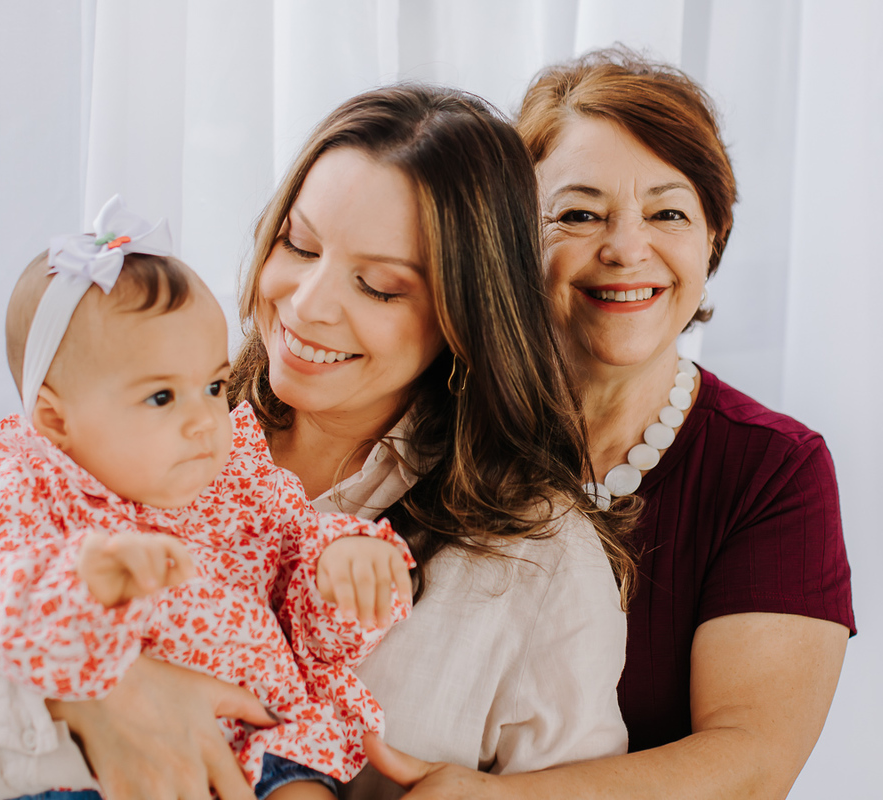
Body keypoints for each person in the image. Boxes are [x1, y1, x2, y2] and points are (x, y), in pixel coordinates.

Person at [0, 85, 633, 800]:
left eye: (379, 285)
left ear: (467, 316)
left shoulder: (539, 558)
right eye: (299, 245)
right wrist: (91, 700)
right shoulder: (104, 432)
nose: (308, 304)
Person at [362, 48, 856, 799]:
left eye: (667, 213)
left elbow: (753, 763)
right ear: (513, 237)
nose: (627, 248)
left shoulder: (772, 470)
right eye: (579, 214)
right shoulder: (417, 408)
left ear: (714, 235)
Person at [0, 195, 419, 799]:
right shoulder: (24, 488)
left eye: (213, 386)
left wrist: (340, 571)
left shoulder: (242, 479)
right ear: (57, 421)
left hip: (263, 739)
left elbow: (307, 612)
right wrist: (82, 582)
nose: (204, 421)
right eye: (161, 397)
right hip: (99, 760)